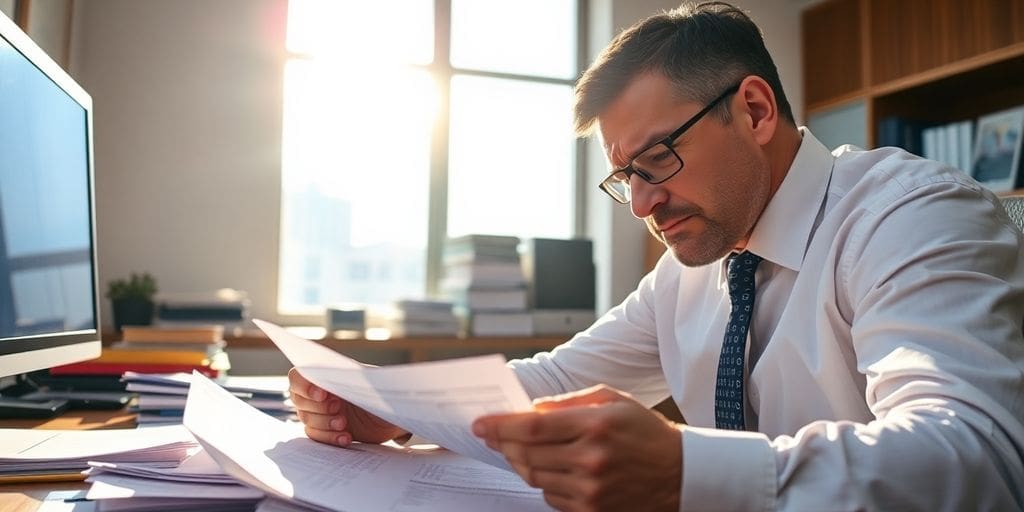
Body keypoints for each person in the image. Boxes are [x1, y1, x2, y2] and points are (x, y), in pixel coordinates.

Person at [289, 2, 1024, 510]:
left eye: (659, 158)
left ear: (756, 111)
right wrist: (396, 409)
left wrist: (686, 472)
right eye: (625, 176)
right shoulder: (692, 268)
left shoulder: (910, 214)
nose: (641, 205)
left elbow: (976, 458)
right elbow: (553, 380)